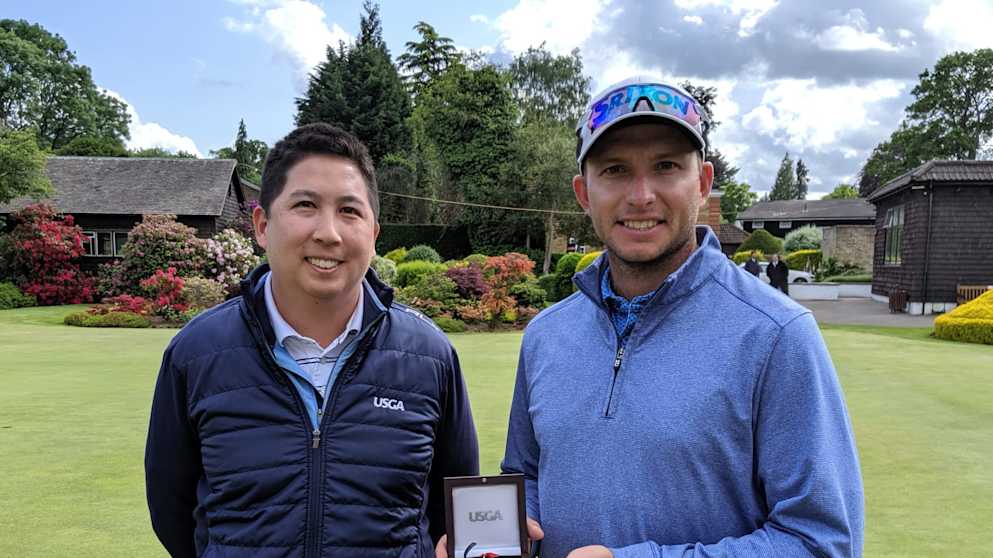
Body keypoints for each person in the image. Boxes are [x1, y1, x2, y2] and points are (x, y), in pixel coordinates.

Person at [497, 77, 863, 557]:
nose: (641, 195)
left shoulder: (776, 335)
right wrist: (503, 533)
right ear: (584, 193)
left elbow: (823, 543)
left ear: (703, 184)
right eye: (615, 170)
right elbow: (525, 478)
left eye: (666, 166)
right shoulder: (546, 334)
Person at [146, 123, 479, 558]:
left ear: (374, 234)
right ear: (262, 225)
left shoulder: (429, 356)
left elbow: (447, 515)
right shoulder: (196, 353)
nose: (329, 233)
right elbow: (175, 512)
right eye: (305, 205)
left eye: (349, 211)